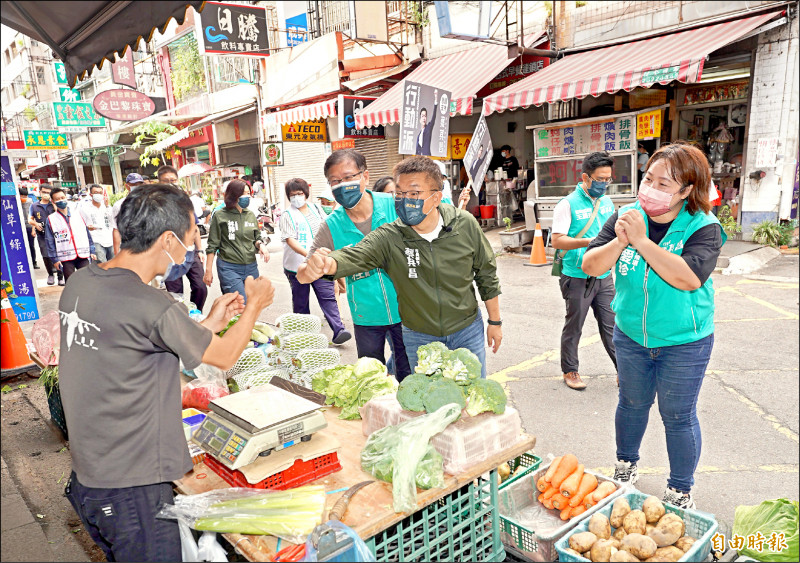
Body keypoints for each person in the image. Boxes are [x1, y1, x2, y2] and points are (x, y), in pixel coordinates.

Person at [59, 183, 275, 562]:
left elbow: (140, 337)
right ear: (168, 239)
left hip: (91, 474)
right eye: (191, 237)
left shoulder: (82, 282)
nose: (192, 247)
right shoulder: (149, 301)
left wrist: (209, 321)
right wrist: (255, 305)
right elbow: (224, 356)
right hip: (133, 486)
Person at [582, 142, 725, 509]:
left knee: (678, 416)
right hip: (630, 335)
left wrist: (642, 242)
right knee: (631, 404)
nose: (652, 188)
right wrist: (621, 240)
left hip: (684, 342)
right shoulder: (627, 215)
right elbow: (591, 266)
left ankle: (680, 489)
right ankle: (625, 465)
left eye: (664, 184)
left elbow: (690, 278)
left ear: (687, 190)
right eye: (649, 179)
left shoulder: (703, 226)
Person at [301, 155, 502, 377]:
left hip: (467, 329)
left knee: (473, 390)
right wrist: (326, 264)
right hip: (419, 334)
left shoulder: (463, 224)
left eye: (414, 193)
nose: (405, 200)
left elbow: (486, 273)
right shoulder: (390, 235)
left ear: (436, 197)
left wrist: (495, 321)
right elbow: (355, 255)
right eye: (400, 193)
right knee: (426, 399)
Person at [297, 150, 409, 374]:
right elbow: (303, 273)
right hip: (366, 317)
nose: (342, 185)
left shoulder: (394, 205)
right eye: (335, 181)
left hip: (408, 312)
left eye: (348, 177)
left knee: (410, 376)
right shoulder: (331, 225)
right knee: (371, 380)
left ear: (365, 176)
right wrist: (311, 269)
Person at [551, 152, 618, 390]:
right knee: (575, 325)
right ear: (586, 178)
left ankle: (624, 371)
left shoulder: (607, 203)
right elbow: (557, 241)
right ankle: (570, 370)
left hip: (604, 276)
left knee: (613, 326)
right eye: (600, 179)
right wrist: (588, 242)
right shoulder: (567, 204)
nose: (604, 184)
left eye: (608, 179)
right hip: (576, 276)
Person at [281, 178, 351, 345]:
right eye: (292, 195)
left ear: (306, 194)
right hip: (296, 266)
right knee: (301, 301)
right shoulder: (287, 215)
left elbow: (327, 227)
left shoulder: (316, 209)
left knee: (327, 296)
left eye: (299, 193)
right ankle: (303, 335)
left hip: (320, 264)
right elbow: (290, 240)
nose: (296, 197)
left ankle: (339, 329)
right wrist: (309, 255)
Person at [204, 179, 270, 302]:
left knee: (252, 303)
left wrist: (261, 245)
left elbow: (256, 238)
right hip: (229, 267)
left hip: (251, 266)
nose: (247, 196)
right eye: (243, 193)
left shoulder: (250, 215)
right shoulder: (220, 215)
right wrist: (208, 270)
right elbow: (212, 245)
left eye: (248, 193)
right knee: (241, 303)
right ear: (233, 195)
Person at [158, 165, 209, 312]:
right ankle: (182, 320)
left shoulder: (185, 202)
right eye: (166, 181)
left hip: (189, 252)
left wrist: (199, 249)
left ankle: (196, 314)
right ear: (159, 182)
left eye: (173, 180)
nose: (170, 183)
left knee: (200, 287)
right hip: (168, 256)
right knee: (176, 294)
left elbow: (194, 228)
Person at [45, 187, 96, 283]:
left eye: (62, 197)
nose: (61, 200)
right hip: (65, 257)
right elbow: (49, 240)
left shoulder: (78, 214)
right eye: (58, 199)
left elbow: (87, 233)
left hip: (83, 254)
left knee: (87, 281)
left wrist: (92, 250)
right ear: (53, 201)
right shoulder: (51, 219)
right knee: (71, 283)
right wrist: (54, 259)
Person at [29, 184, 61, 285]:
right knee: (45, 255)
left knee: (59, 253)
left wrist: (54, 203)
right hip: (42, 235)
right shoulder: (34, 206)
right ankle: (50, 274)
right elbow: (30, 219)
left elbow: (61, 214)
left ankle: (61, 276)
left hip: (56, 234)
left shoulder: (54, 204)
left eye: (48, 192)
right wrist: (35, 224)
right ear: (40, 192)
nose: (46, 194)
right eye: (44, 192)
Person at [111, 173, 146, 255]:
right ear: (127, 186)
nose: (137, 187)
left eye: (139, 184)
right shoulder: (119, 205)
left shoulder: (149, 202)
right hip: (129, 247)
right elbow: (116, 229)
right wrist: (116, 252)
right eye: (134, 184)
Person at [79, 184, 115, 263]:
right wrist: (87, 227)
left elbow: (113, 220)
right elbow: (81, 224)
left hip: (110, 238)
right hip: (95, 239)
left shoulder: (107, 207)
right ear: (91, 194)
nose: (98, 195)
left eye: (100, 193)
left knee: (113, 263)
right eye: (96, 192)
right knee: (101, 263)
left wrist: (107, 206)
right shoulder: (84, 208)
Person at [19, 186, 39, 269]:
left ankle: (33, 262)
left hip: (29, 227)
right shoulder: (14, 202)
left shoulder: (30, 202)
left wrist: (34, 228)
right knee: (21, 245)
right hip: (20, 227)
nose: (24, 198)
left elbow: (33, 216)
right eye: (22, 196)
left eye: (25, 196)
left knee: (31, 245)